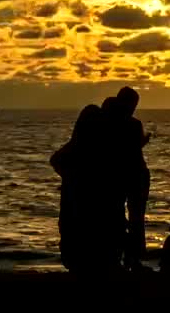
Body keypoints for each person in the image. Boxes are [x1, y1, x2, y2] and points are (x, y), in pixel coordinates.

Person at [51, 104, 117, 272]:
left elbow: (56, 160)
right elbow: (56, 160)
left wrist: (68, 176)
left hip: (75, 197)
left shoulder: (79, 144)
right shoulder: (90, 145)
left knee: (77, 234)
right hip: (80, 198)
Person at [113, 86, 151, 271]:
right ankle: (131, 258)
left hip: (123, 175)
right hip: (134, 174)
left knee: (121, 217)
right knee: (134, 219)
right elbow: (132, 149)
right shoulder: (133, 124)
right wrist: (142, 142)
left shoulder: (110, 124)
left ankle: (123, 258)